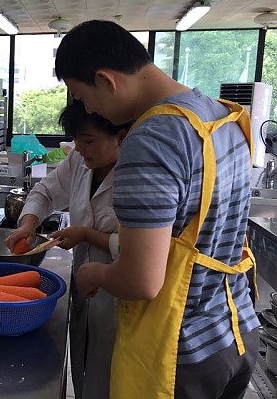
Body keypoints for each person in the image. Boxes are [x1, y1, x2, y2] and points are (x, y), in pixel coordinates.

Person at [55, 20, 259, 399]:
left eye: (82, 97)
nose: (88, 108)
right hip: (235, 328)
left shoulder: (151, 137)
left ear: (105, 79)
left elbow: (142, 281)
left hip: (180, 348)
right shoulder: (221, 116)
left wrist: (92, 273)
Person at [6, 101, 130, 399]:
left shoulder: (139, 173)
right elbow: (45, 191)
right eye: (76, 140)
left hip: (119, 295)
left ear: (120, 137)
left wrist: (88, 234)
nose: (79, 148)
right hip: (83, 286)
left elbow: (137, 247)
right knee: (84, 371)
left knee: (113, 379)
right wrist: (28, 224)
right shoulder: (79, 161)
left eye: (88, 141)